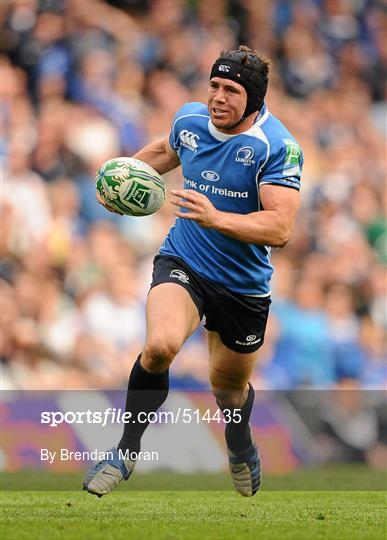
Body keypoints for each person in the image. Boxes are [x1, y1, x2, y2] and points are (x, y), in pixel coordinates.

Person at [83, 45, 303, 498]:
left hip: (242, 285)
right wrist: (120, 181)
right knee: (160, 345)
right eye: (215, 86)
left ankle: (239, 444)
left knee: (228, 390)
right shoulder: (190, 120)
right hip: (184, 259)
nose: (218, 98)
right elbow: (165, 152)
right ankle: (125, 452)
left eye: (232, 91)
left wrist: (215, 217)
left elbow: (280, 228)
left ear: (254, 101)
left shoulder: (276, 146)